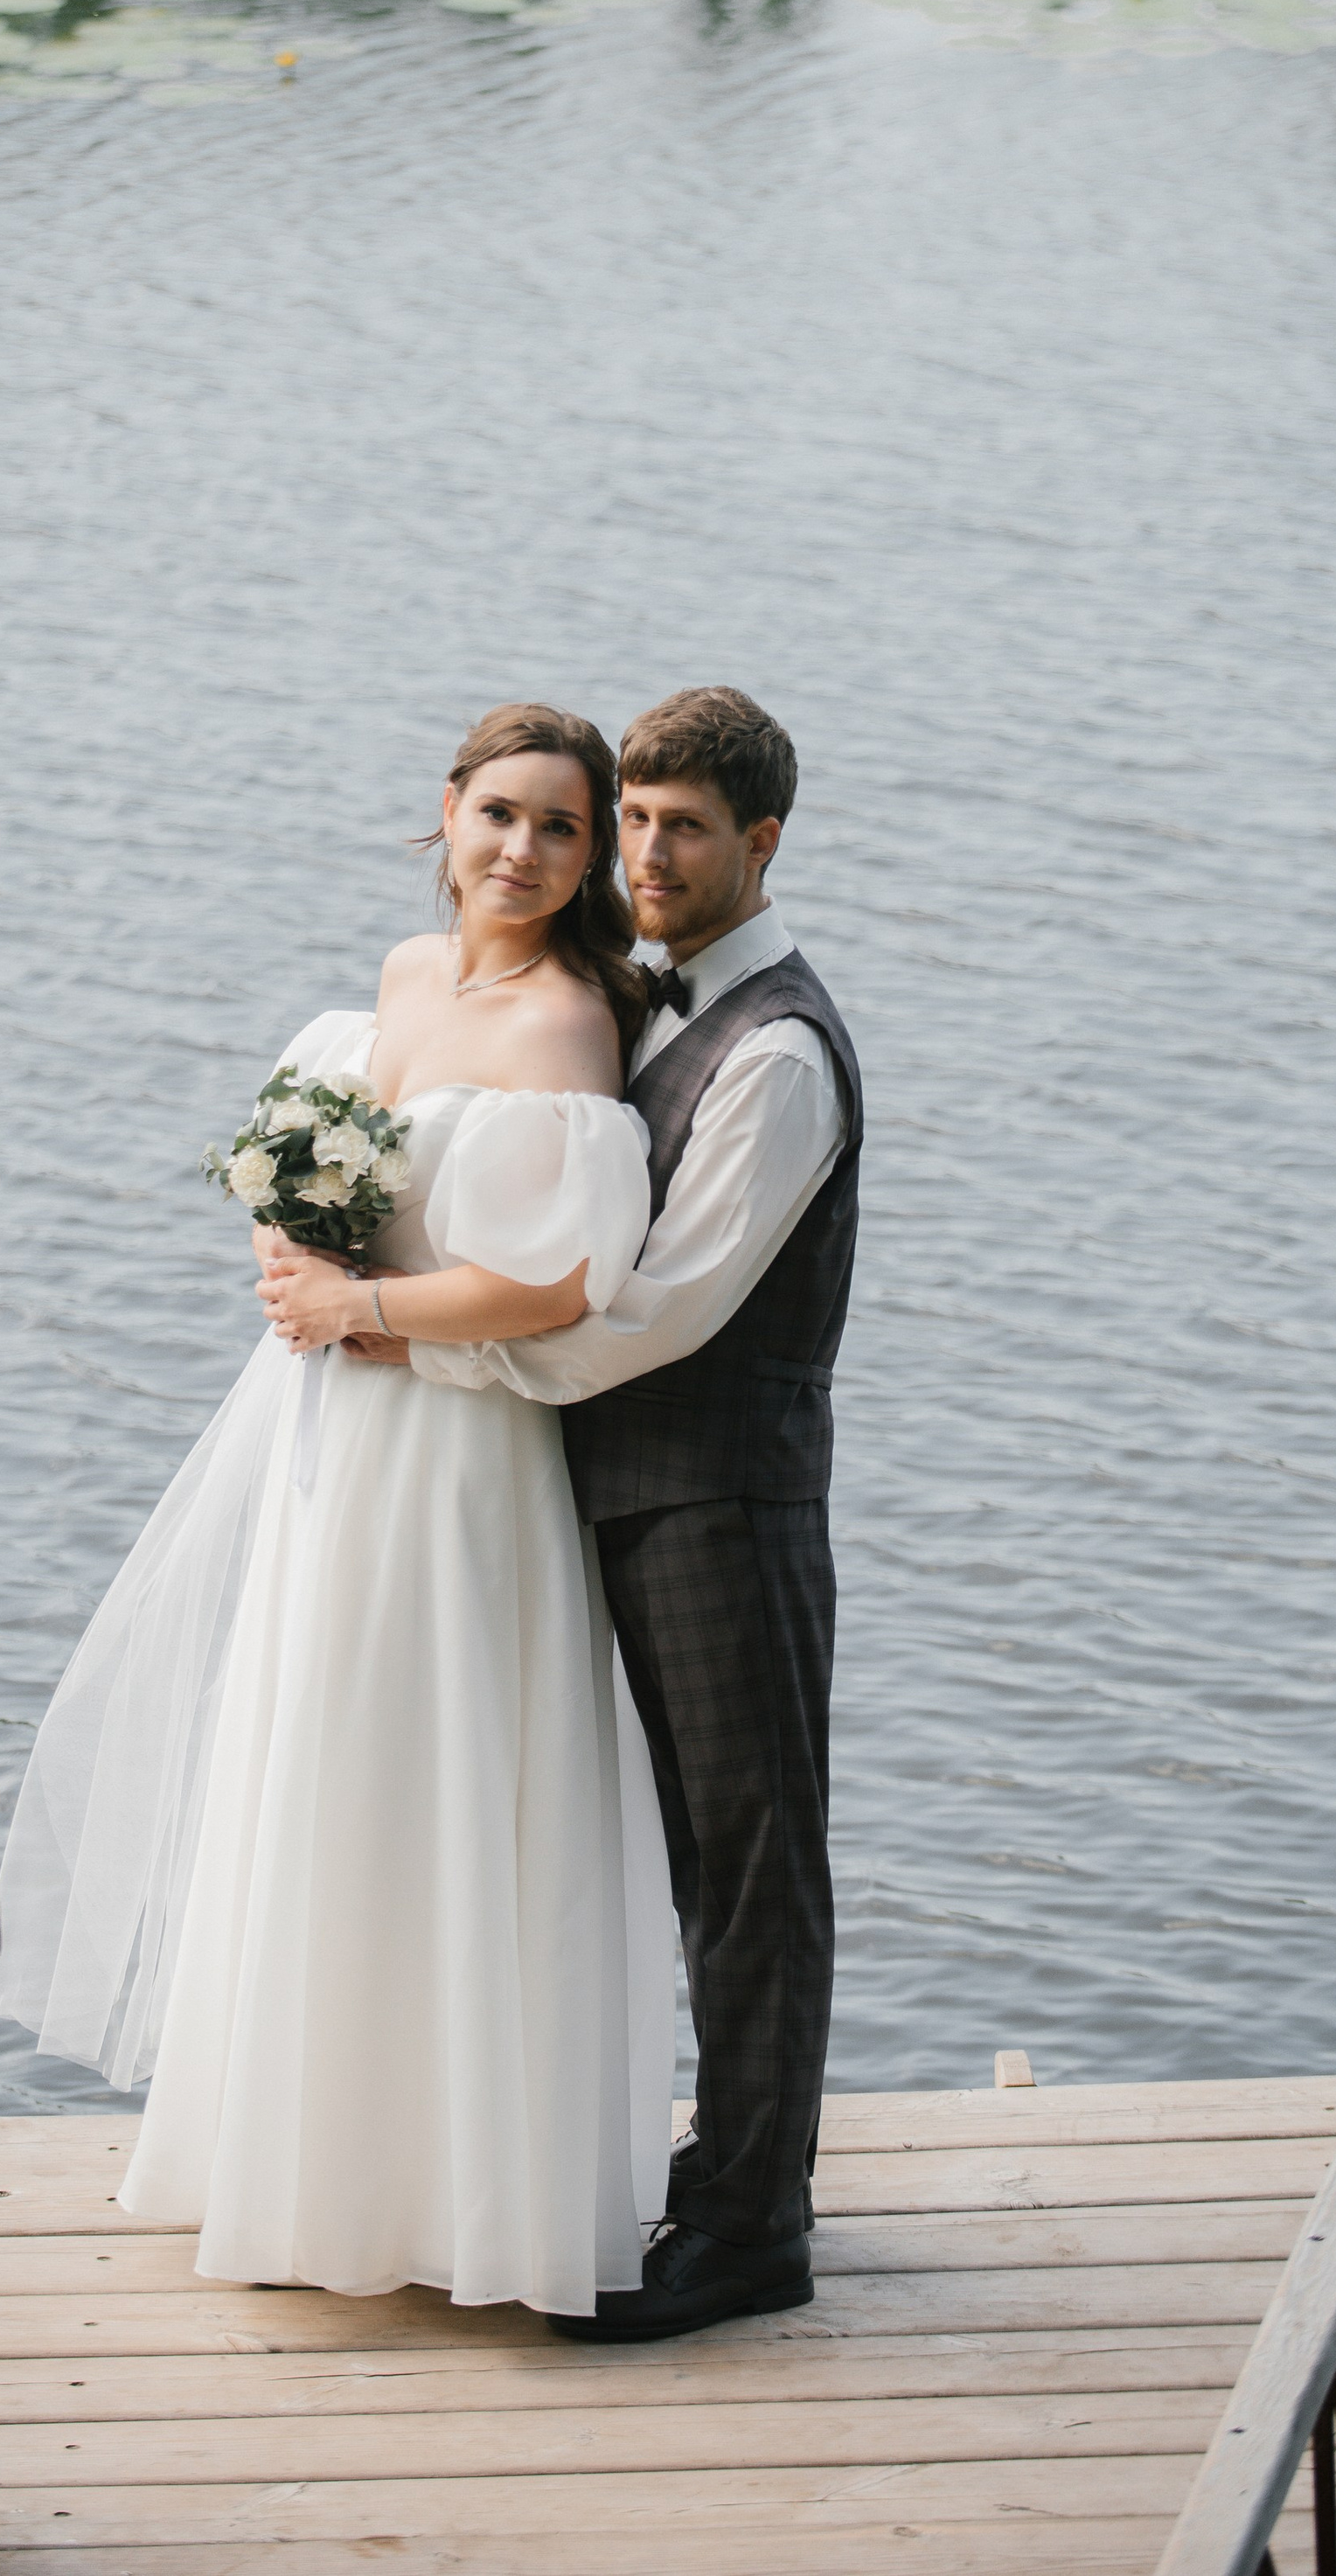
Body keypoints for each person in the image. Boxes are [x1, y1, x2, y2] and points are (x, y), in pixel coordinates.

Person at [0, 705, 675, 2319]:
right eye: (500, 812)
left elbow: (551, 1282)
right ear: (445, 811)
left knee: (429, 1769)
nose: (522, 849)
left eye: (561, 829)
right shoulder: (404, 977)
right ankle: (306, 2162)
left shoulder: (571, 1026)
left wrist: (364, 1309)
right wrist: (297, 1270)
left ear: (589, 860)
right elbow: (326, 1194)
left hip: (451, 1462)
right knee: (315, 1762)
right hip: (331, 1449)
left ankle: (458, 2194)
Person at [404, 686, 861, 2343]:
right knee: (664, 1855)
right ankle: (721, 2166)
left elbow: (670, 1308)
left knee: (751, 1872)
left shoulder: (780, 1050)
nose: (649, 856)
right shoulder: (653, 1008)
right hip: (624, 1497)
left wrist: (429, 1353)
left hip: (723, 1506)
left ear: (762, 844)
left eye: (682, 829)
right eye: (638, 820)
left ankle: (756, 2230)